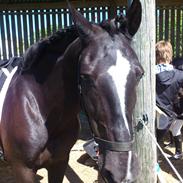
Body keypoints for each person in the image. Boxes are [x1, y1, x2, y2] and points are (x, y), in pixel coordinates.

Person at [156, 40, 183, 160]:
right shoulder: (180, 75)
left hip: (153, 115)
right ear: (170, 55)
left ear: (156, 55)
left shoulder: (148, 74)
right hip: (171, 114)